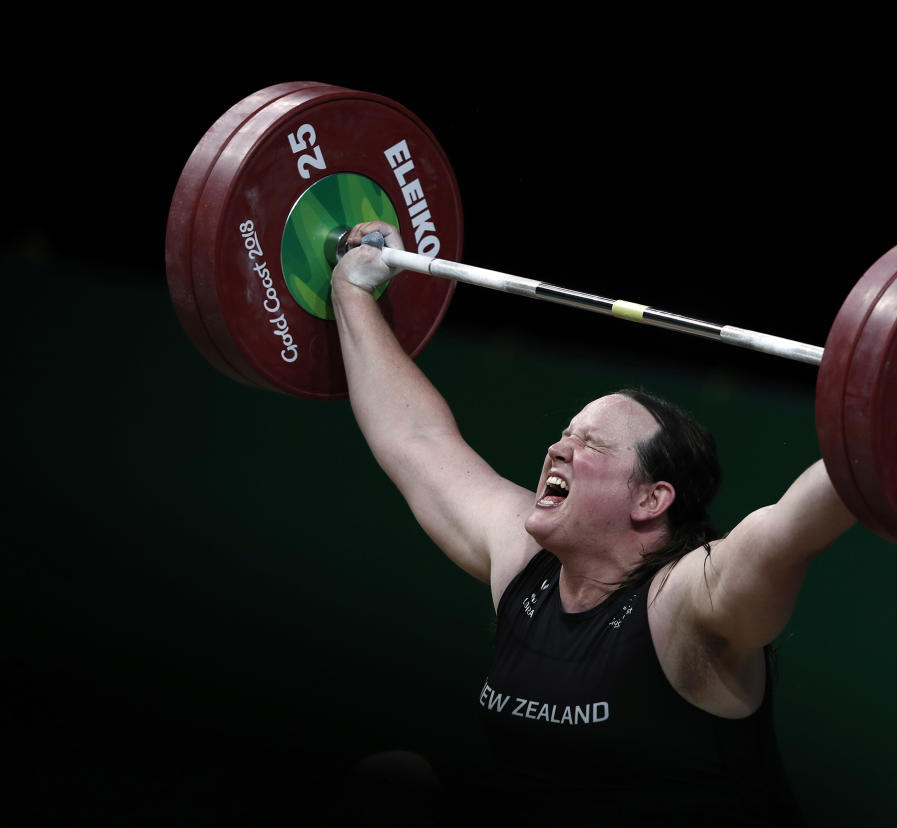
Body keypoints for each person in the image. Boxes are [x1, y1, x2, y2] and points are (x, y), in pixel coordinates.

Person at [331, 222, 857, 826]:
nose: (557, 450)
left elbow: (791, 528)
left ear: (651, 499)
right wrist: (353, 290)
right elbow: (415, 440)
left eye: (590, 445)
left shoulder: (688, 597)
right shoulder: (526, 566)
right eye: (563, 435)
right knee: (396, 783)